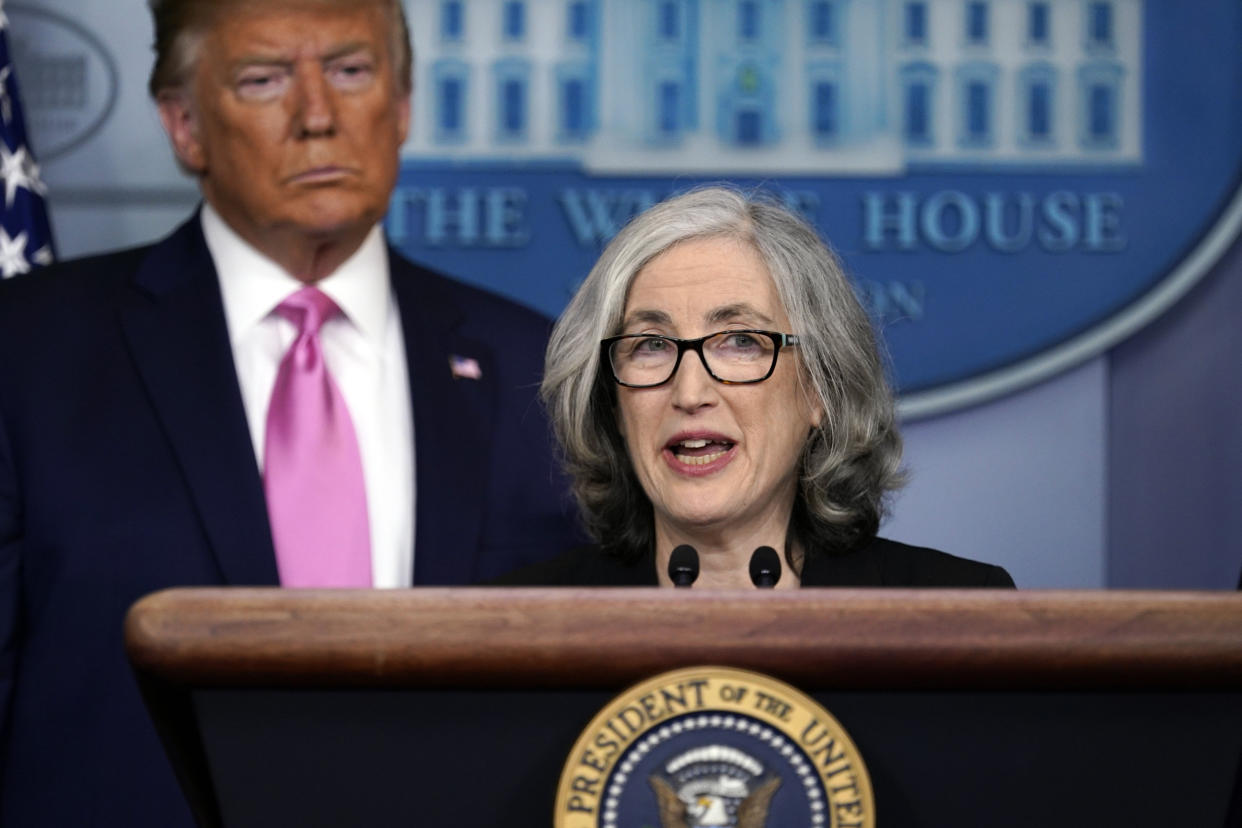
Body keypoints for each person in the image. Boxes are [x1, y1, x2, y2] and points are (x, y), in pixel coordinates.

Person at [0, 1, 577, 824]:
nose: (317, 116)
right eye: (264, 79)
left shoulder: (538, 370)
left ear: (403, 104)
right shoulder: (29, 356)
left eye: (351, 71)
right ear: (184, 125)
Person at [495, 187, 1014, 588]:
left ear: (818, 389)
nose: (690, 391)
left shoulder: (954, 613)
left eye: (740, 341)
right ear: (612, 400)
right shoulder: (514, 632)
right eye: (650, 345)